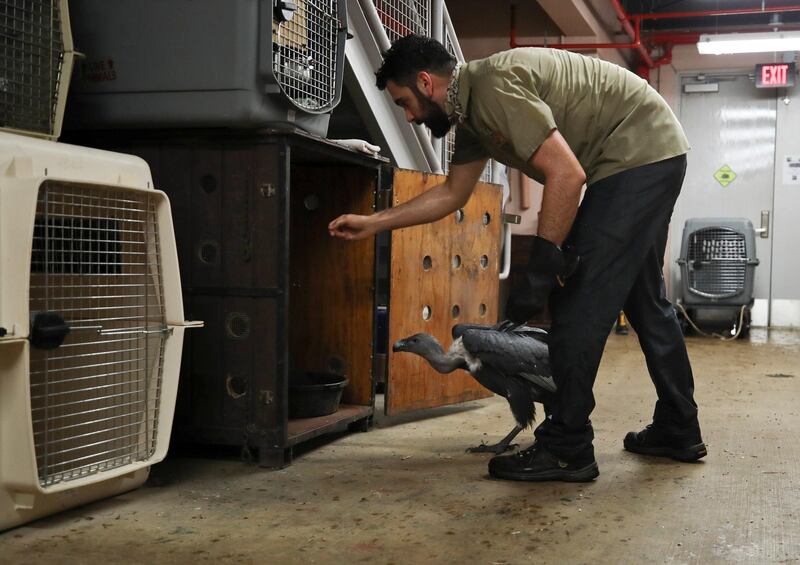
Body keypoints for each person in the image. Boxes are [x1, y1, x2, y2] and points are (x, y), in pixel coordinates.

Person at [328, 35, 706, 482]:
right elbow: (452, 194)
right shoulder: (472, 117)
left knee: (577, 302)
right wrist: (374, 222)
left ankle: (567, 447)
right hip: (652, 150)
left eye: (404, 102)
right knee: (645, 302)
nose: (409, 116)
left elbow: (567, 174)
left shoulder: (492, 86)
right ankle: (678, 427)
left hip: (634, 156)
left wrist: (543, 265)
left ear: (426, 82)